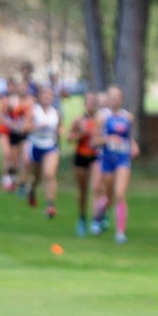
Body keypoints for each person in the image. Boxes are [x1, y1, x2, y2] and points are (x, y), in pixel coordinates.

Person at [92, 84, 139, 244]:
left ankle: (120, 232)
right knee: (108, 195)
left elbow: (129, 138)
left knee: (119, 194)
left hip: (122, 159)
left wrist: (133, 146)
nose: (115, 99)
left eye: (118, 96)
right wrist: (107, 139)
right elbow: (94, 140)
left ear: (121, 99)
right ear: (108, 99)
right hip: (107, 160)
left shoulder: (127, 117)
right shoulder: (102, 117)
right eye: (112, 96)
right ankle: (99, 215)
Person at [68, 91, 103, 236]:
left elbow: (104, 137)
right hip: (81, 156)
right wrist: (80, 134)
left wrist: (97, 136)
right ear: (84, 103)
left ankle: (95, 220)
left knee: (96, 188)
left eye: (93, 101)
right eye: (88, 101)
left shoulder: (101, 120)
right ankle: (82, 217)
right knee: (82, 191)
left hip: (95, 157)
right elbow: (69, 138)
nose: (90, 104)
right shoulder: (78, 120)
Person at [26, 84, 61, 218]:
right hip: (36, 146)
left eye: (49, 95)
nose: (47, 97)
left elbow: (58, 130)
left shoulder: (55, 112)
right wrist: (36, 126)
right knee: (37, 177)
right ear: (39, 97)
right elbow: (25, 127)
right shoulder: (34, 111)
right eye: (44, 94)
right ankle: (32, 190)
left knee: (49, 174)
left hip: (51, 147)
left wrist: (58, 135)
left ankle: (50, 205)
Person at [0, 78, 32, 192]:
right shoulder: (11, 101)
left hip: (25, 134)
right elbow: (3, 115)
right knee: (13, 160)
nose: (23, 90)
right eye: (21, 87)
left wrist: (26, 126)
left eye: (25, 87)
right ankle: (9, 179)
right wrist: (10, 122)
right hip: (13, 133)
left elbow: (31, 117)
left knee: (26, 159)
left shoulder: (30, 101)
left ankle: (23, 182)